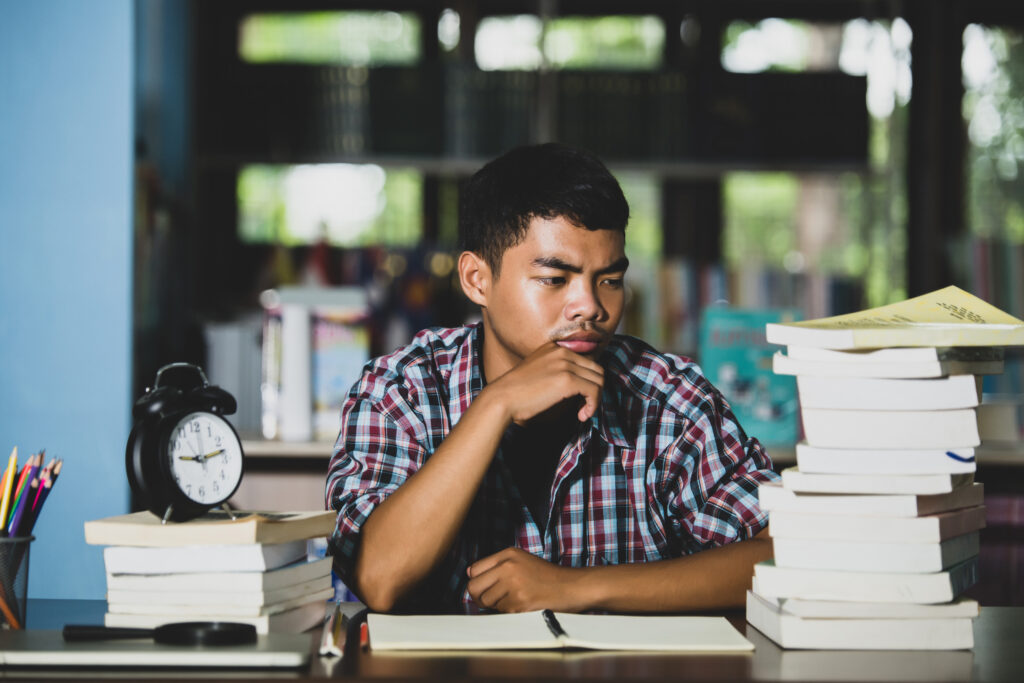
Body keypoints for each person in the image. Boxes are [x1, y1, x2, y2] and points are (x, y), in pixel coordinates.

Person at [326, 143, 779, 614]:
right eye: (554, 279)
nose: (590, 307)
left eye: (609, 279)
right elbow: (378, 578)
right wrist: (495, 406)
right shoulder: (402, 389)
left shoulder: (668, 397)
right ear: (477, 279)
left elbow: (782, 557)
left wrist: (577, 588)